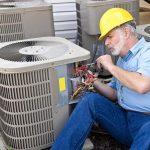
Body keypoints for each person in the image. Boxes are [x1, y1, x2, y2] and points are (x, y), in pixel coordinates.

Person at [51, 8, 150, 150]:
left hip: (146, 122)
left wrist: (110, 66)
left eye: (110, 36)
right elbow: (114, 94)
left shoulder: (147, 52)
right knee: (90, 100)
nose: (106, 43)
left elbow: (143, 85)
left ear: (126, 33)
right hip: (125, 119)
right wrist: (94, 82)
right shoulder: (122, 61)